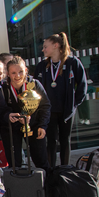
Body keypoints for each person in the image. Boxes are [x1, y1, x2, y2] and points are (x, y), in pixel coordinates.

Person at [34, 32, 87, 167]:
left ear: (56, 46)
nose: (43, 50)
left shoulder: (72, 63)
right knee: (51, 141)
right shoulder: (42, 66)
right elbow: (35, 88)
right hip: (49, 111)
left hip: (66, 110)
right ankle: (51, 170)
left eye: (46, 47)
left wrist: (73, 104)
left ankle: (65, 169)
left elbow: (82, 85)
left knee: (65, 140)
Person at [0, 56, 51, 172]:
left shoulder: (34, 84)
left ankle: (46, 188)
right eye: (13, 73)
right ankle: (18, 189)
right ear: (8, 73)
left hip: (34, 126)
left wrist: (42, 125)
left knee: (41, 161)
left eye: (21, 72)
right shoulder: (3, 88)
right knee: (15, 164)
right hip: (11, 129)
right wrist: (9, 116)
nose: (17, 76)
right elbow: (0, 109)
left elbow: (45, 106)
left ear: (26, 70)